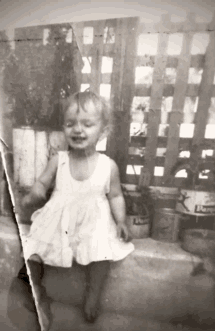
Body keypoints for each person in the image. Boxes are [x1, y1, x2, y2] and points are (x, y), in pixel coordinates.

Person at [21, 90, 135, 331]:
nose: (77, 130)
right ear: (64, 128)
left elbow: (115, 195)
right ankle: (36, 288)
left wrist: (121, 221)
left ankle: (93, 294)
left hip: (92, 222)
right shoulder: (59, 160)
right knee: (35, 249)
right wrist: (36, 192)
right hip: (60, 220)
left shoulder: (107, 166)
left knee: (101, 254)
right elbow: (43, 182)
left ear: (103, 132)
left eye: (87, 124)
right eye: (70, 123)